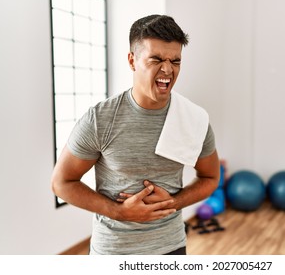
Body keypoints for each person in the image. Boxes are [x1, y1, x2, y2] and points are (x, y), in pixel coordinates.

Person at [51, 14, 220, 255]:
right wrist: (119, 211)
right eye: (156, 59)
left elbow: (211, 178)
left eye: (176, 61)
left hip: (170, 247)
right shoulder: (100, 119)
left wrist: (174, 202)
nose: (167, 69)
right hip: (114, 251)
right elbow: (61, 182)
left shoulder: (194, 119)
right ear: (132, 61)